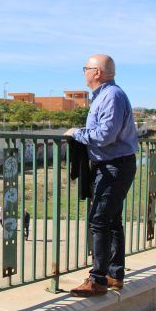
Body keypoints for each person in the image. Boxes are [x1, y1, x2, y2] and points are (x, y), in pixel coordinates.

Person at [65, 54, 138, 297]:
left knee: (99, 220)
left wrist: (77, 133)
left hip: (114, 166)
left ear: (96, 73)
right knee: (112, 221)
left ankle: (98, 280)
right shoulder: (105, 96)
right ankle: (114, 275)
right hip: (113, 165)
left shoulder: (111, 96)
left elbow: (105, 135)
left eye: (86, 68)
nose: (84, 72)